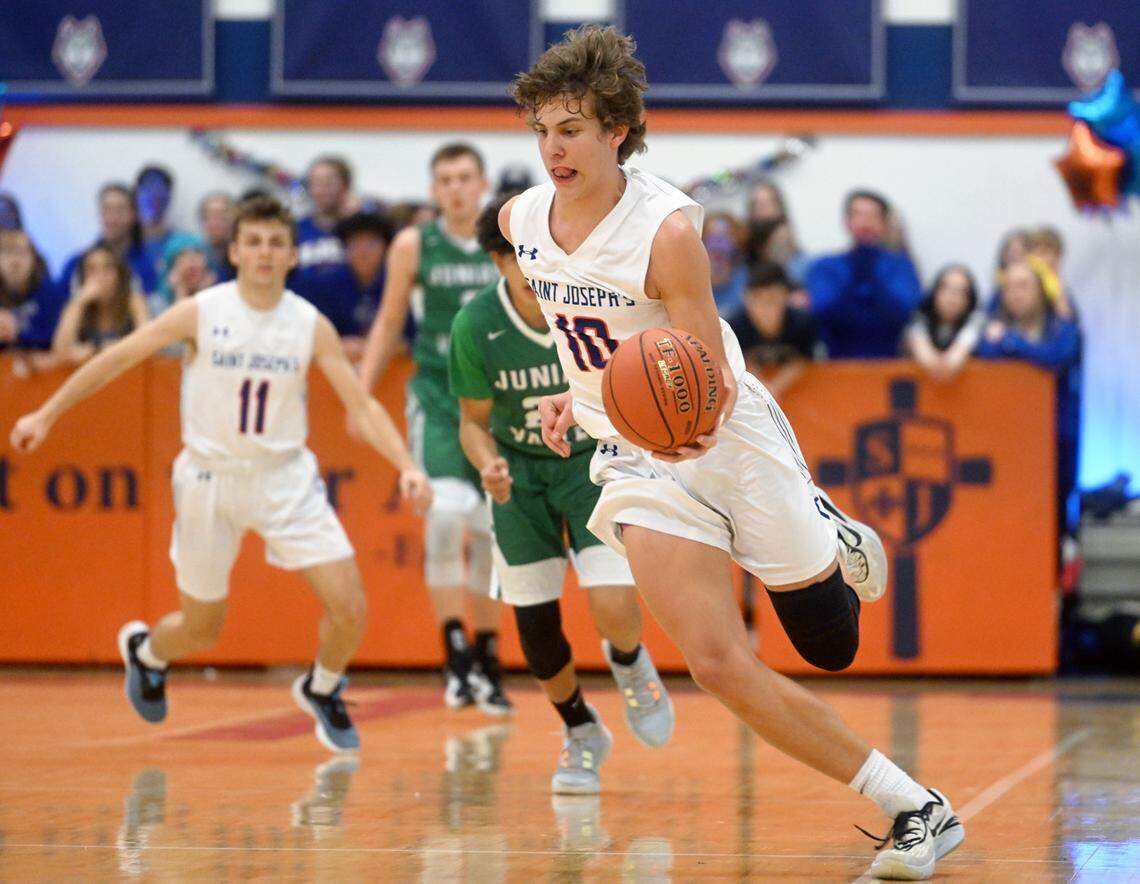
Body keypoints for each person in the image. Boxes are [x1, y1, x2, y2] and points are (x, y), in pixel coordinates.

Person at [501, 26, 962, 879]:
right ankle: (914, 807)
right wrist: (582, 393)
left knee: (830, 647)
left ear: (617, 130)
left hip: (724, 434)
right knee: (715, 662)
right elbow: (592, 337)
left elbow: (699, 365)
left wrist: (686, 416)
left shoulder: (667, 230)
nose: (552, 147)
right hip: (635, 456)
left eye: (571, 128)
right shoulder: (521, 220)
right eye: (541, 128)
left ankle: (827, 530)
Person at [9, 196, 432, 752]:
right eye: (253, 242)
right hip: (210, 479)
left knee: (350, 607)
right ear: (233, 251)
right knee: (202, 628)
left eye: (276, 243)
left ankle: (322, 686)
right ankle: (148, 654)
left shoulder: (309, 325)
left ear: (291, 256)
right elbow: (118, 358)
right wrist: (47, 412)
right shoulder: (202, 312)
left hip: (284, 478)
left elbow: (362, 405)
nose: (264, 252)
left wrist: (406, 465)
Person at [450, 198, 675, 793]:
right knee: (536, 626)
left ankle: (629, 663)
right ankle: (579, 729)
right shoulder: (476, 325)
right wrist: (489, 465)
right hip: (519, 475)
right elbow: (471, 422)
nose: (530, 266)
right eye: (517, 257)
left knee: (613, 605)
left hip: (587, 461)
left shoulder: (582, 300)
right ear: (499, 263)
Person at [358, 143, 509, 713]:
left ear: (483, 181)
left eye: (464, 177)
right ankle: (455, 655)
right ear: (433, 188)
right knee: (443, 522)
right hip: (438, 398)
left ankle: (490, 659)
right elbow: (390, 318)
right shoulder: (412, 244)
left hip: (500, 402)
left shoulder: (511, 238)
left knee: (493, 534)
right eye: (444, 179)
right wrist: (359, 390)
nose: (455, 188)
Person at [977, 260, 1082, 545]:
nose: (1016, 293)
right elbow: (985, 356)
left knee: (1056, 519)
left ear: (1041, 290)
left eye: (1024, 286)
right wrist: (1027, 351)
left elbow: (1056, 357)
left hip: (1057, 438)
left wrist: (1011, 343)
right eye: (1009, 287)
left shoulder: (1063, 329)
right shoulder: (989, 330)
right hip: (1008, 442)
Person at [805, 190, 921, 358]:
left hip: (889, 364)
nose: (865, 223)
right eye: (859, 215)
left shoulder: (900, 266)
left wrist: (872, 279)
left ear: (884, 223)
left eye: (872, 216)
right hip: (835, 367)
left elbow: (904, 312)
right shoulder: (825, 266)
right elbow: (823, 311)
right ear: (847, 221)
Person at [296, 212, 398, 362]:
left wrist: (387, 345)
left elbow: (410, 339)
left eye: (371, 243)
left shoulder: (395, 284)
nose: (363, 252)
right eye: (356, 243)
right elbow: (310, 337)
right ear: (345, 248)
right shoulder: (326, 285)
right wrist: (338, 344)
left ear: (385, 248)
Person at [728, 262, 820, 399]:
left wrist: (775, 387)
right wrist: (762, 388)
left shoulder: (803, 323)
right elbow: (740, 362)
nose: (764, 307)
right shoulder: (734, 326)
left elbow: (803, 360)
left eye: (772, 298)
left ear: (785, 296)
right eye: (757, 298)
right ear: (745, 298)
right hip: (752, 393)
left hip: (797, 394)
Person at [53, 245, 150, 364]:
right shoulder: (76, 305)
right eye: (91, 269)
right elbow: (61, 352)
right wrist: (79, 302)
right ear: (82, 277)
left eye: (107, 268)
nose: (100, 276)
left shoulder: (134, 300)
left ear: (119, 274)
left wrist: (98, 349)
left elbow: (148, 344)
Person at [58, 183, 158, 296]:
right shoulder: (76, 264)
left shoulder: (147, 265)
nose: (113, 218)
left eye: (120, 210)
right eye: (107, 210)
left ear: (134, 215)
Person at [903, 264, 984, 382]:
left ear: (969, 299)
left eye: (960, 292)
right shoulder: (919, 318)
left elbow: (953, 362)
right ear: (935, 292)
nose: (952, 297)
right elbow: (928, 359)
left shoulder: (976, 320)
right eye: (946, 289)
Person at [0, 228, 65, 352]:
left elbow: (55, 339)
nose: (15, 261)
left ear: (34, 259)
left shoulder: (51, 292)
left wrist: (17, 334)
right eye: (7, 253)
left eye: (21, 253)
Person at [297, 156, 355, 272]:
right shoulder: (296, 230)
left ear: (345, 187)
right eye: (316, 183)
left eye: (328, 183)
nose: (321, 190)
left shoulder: (359, 231)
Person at [702, 213, 748, 317]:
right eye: (711, 237)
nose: (718, 245)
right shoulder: (692, 285)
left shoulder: (748, 280)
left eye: (725, 237)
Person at [198, 192, 237, 282]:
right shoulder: (194, 257)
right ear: (203, 221)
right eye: (211, 215)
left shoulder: (242, 259)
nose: (216, 222)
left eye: (222, 215)